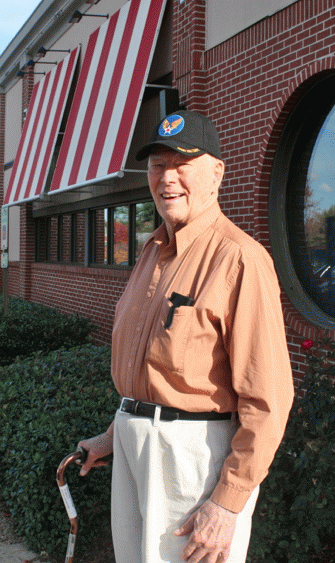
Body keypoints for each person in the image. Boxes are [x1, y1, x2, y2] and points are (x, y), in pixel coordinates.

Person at [78, 110, 294, 563]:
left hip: (193, 461)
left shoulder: (239, 259)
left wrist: (227, 501)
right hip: (136, 451)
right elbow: (152, 372)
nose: (167, 178)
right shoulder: (150, 252)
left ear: (216, 172)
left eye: (183, 164)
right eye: (158, 166)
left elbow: (268, 399)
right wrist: (113, 436)